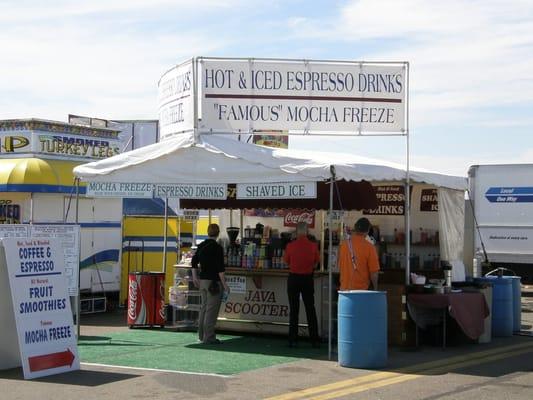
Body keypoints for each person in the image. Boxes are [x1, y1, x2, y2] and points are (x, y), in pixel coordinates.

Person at [283, 221, 320, 348]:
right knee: (310, 309)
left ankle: (292, 339)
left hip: (293, 278)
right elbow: (317, 262)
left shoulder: (290, 246)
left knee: (294, 310)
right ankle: (314, 340)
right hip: (307, 279)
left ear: (297, 232)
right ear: (307, 231)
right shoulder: (313, 246)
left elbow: (286, 261)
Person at [191, 223, 230, 344]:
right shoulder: (217, 248)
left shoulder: (202, 245)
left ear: (208, 233)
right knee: (211, 311)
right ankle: (209, 337)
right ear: (218, 233)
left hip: (203, 281)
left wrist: (195, 277)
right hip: (214, 283)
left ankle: (202, 336)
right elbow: (220, 269)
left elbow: (193, 262)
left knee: (204, 308)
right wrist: (225, 285)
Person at [338, 217, 380, 291]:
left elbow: (339, 265)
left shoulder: (344, 245)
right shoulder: (369, 247)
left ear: (355, 228)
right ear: (367, 231)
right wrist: (375, 288)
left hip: (343, 291)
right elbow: (374, 272)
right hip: (360, 292)